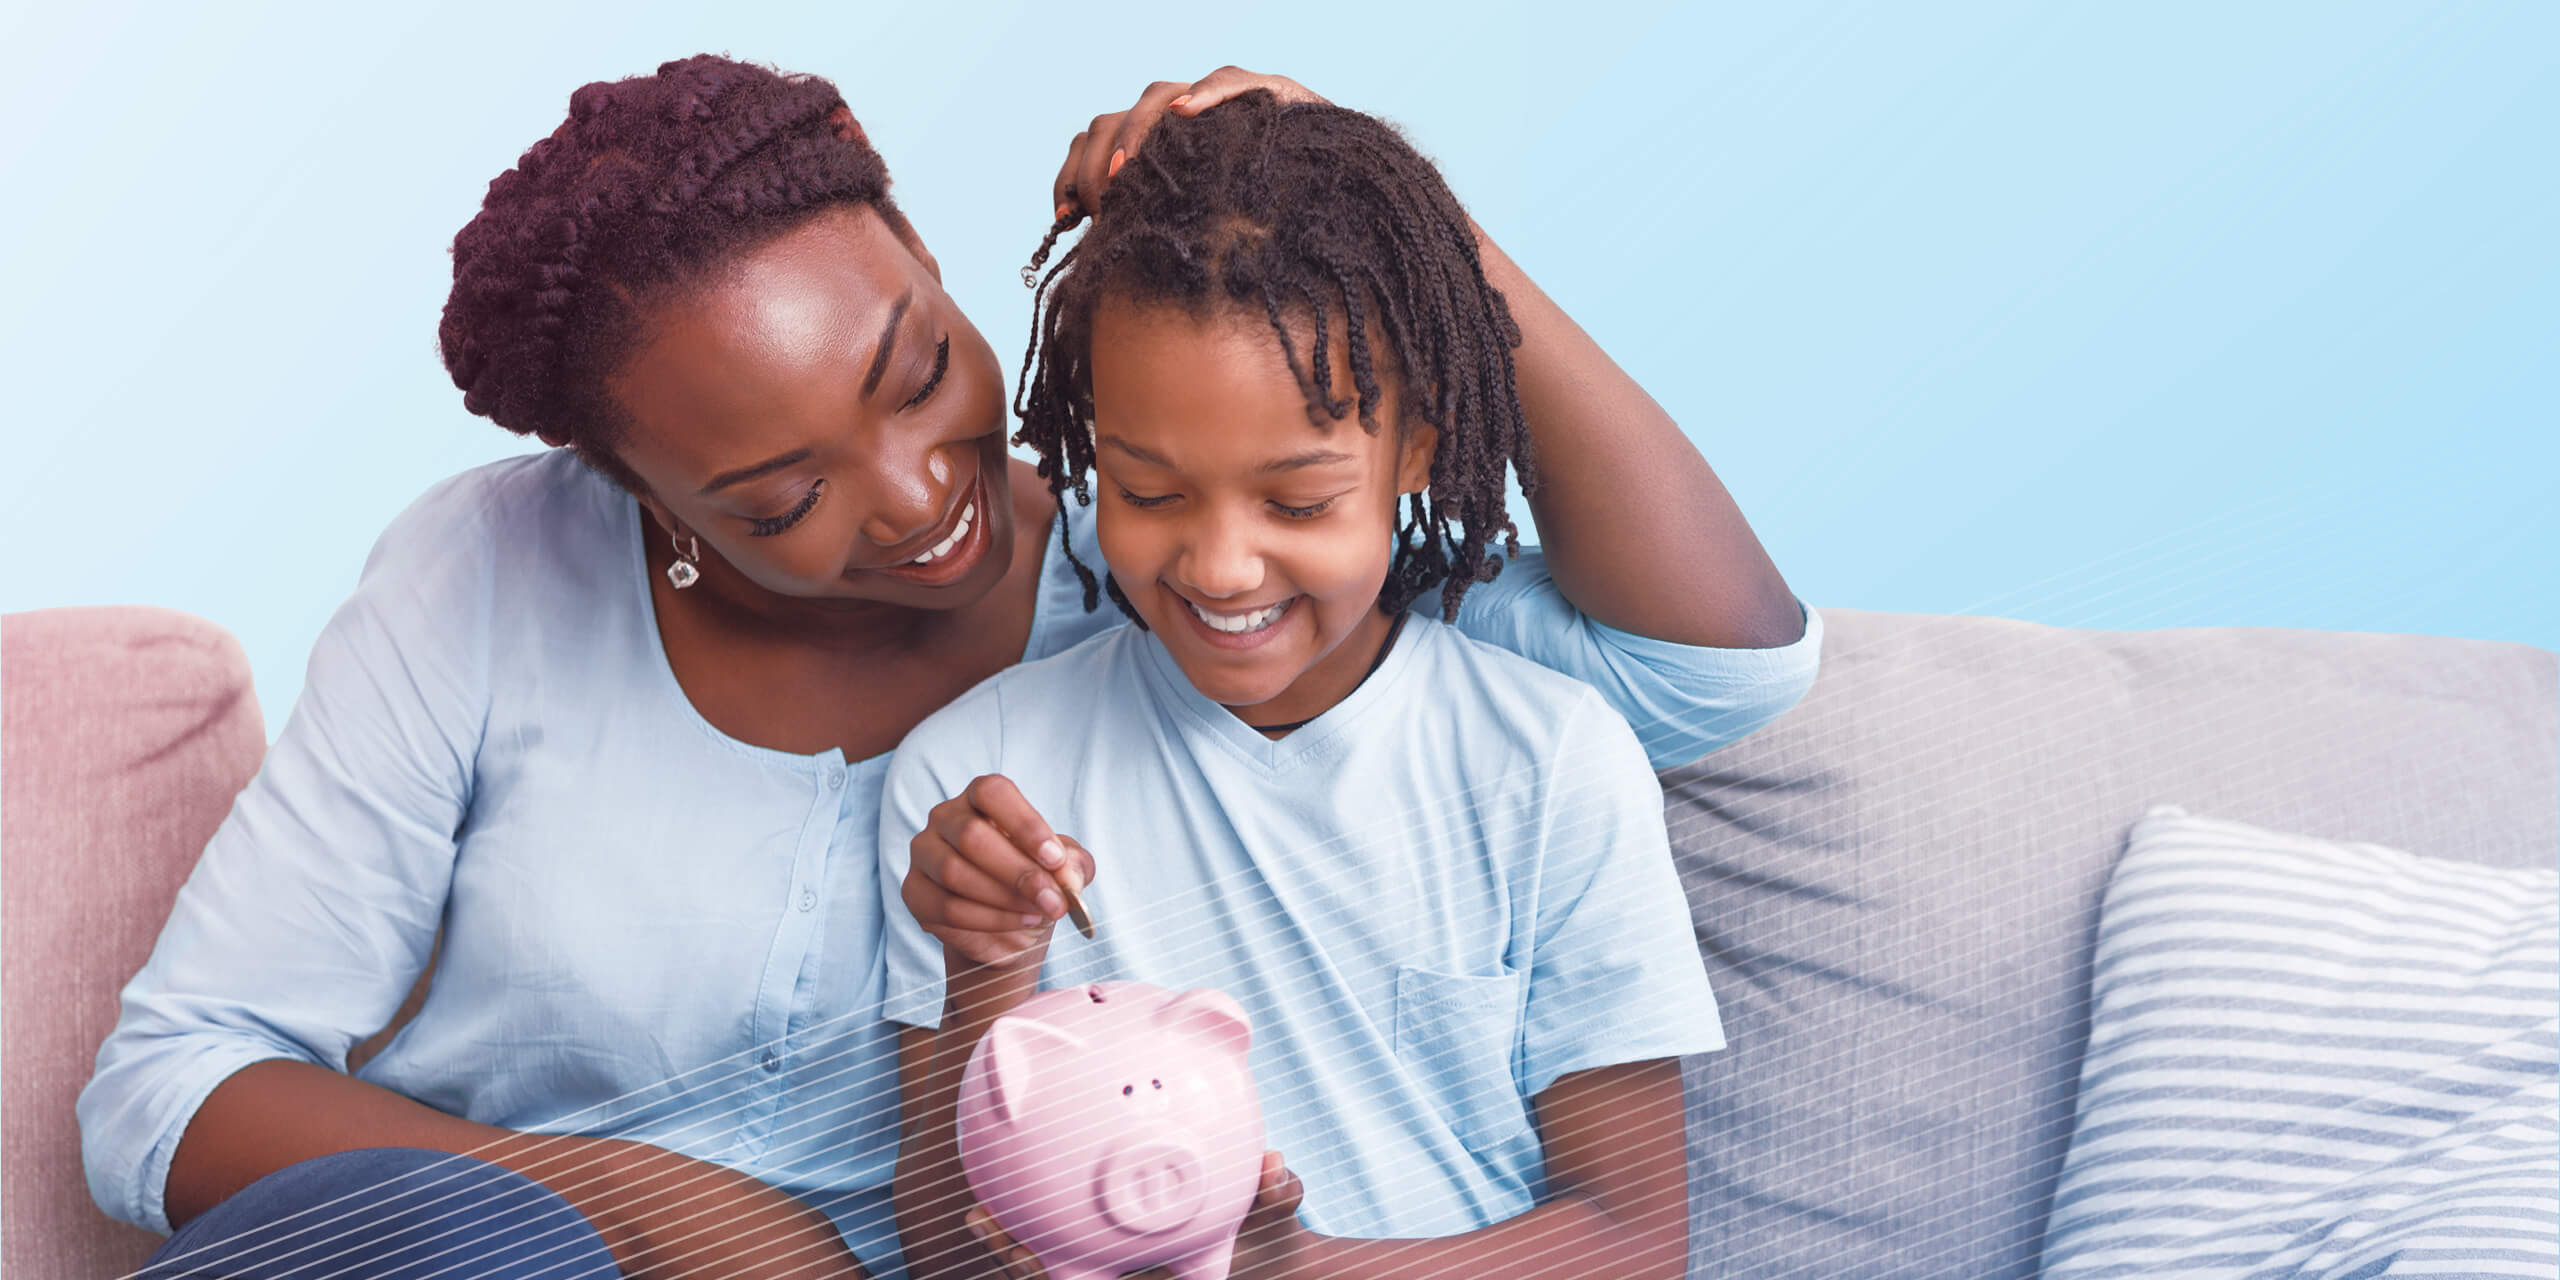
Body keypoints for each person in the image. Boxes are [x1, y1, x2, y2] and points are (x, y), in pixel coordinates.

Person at [78, 58, 1812, 1280]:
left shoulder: (1164, 567)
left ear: (922, 250)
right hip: (491, 1252)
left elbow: (1713, 671)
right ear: (633, 496)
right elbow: (170, 1088)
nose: (920, 502)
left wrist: (1387, 209)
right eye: (776, 495)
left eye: (916, 372)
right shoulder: (489, 571)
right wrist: (650, 1212)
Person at [884, 86, 1807, 1280]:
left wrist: (1296, 1269)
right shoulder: (975, 781)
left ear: (1416, 444)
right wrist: (987, 966)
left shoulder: (1546, 758)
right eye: (1149, 491)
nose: (1219, 567)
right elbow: (935, 1254)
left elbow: (1632, 1238)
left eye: (1298, 501)